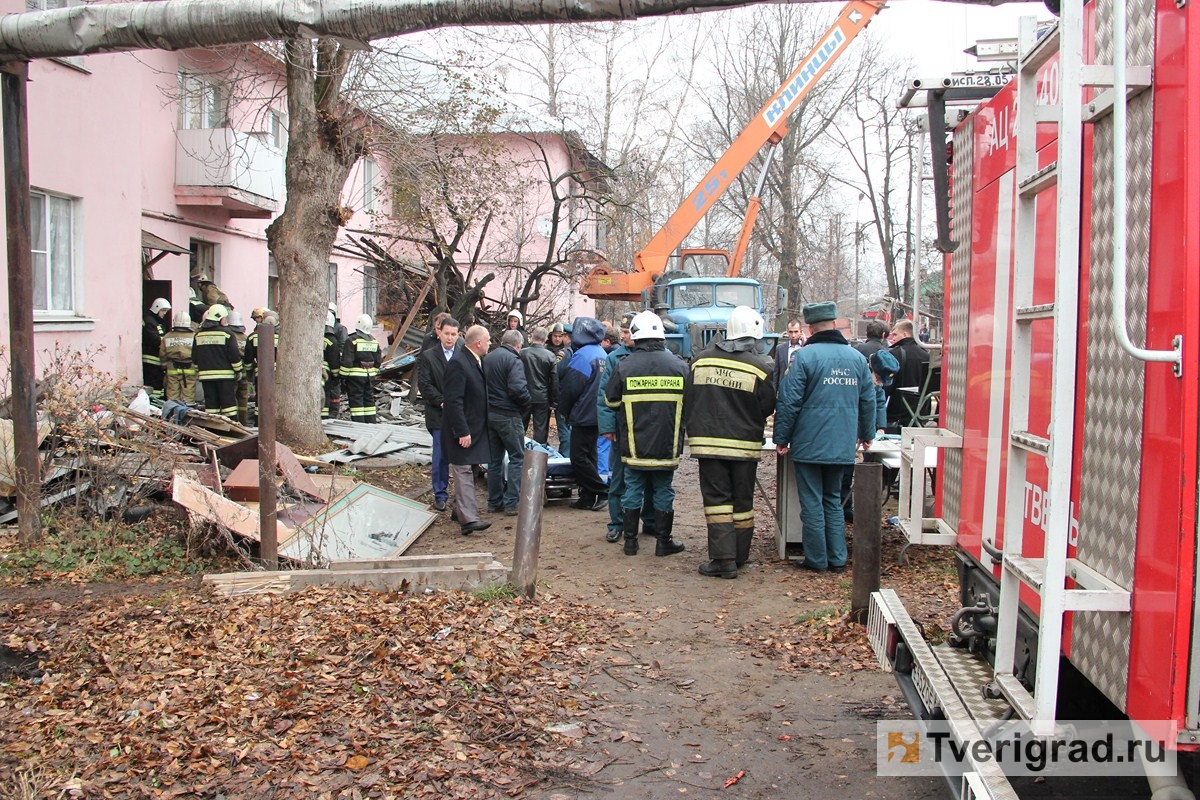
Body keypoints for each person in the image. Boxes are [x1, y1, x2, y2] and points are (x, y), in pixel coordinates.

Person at [773, 301, 875, 573]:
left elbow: (789, 401)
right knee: (833, 500)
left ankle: (817, 559)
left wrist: (781, 437)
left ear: (809, 327)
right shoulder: (856, 358)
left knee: (812, 502)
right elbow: (868, 399)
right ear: (834, 323)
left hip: (809, 443)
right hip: (842, 443)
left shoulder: (804, 358)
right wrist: (867, 433)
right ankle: (838, 559)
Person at [684, 306, 777, 578]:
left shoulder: (700, 361)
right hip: (744, 445)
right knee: (742, 500)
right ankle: (739, 555)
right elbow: (767, 406)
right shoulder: (760, 367)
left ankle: (723, 560)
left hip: (708, 444)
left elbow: (689, 398)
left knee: (717, 501)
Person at [604, 311, 688, 557]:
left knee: (632, 490)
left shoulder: (624, 365)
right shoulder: (680, 367)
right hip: (667, 445)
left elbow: (610, 400)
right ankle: (663, 543)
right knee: (664, 490)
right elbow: (691, 402)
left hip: (633, 445)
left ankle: (630, 543)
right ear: (662, 337)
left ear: (636, 337)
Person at [596, 312, 657, 545]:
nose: (623, 336)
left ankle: (650, 522)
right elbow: (604, 396)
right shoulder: (616, 358)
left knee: (652, 478)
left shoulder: (662, 356)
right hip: (623, 429)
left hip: (650, 429)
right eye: (622, 332)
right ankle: (617, 523)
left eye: (627, 332)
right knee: (619, 479)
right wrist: (608, 427)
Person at [443, 325, 493, 535]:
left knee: (470, 469)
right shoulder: (459, 363)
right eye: (488, 340)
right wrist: (462, 431)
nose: (490, 343)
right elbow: (453, 401)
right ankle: (469, 520)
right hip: (463, 430)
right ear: (478, 343)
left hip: (474, 428)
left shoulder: (473, 360)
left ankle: (459, 510)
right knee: (463, 470)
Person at [840, 349, 900, 523]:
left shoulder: (877, 385)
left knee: (850, 470)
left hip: (863, 433)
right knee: (844, 471)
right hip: (847, 430)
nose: (879, 383)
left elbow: (879, 403)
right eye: (879, 378)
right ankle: (843, 507)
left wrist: (880, 427)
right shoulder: (855, 376)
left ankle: (847, 507)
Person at [558, 316, 609, 511]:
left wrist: (563, 410)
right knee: (590, 455)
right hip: (598, 413)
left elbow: (571, 387)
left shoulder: (583, 355)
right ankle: (587, 497)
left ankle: (601, 490)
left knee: (578, 457)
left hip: (583, 414)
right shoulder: (602, 353)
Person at [483, 329, 531, 515]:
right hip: (508, 414)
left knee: (494, 460)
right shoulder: (514, 360)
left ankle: (494, 502)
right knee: (517, 457)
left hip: (490, 413)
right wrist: (527, 402)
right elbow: (518, 389)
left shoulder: (488, 358)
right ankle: (512, 502)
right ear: (518, 345)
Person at [418, 316, 460, 512]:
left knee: (462, 456)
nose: (450, 338)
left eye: (453, 334)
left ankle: (461, 496)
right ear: (439, 333)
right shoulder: (429, 356)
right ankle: (440, 494)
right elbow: (424, 385)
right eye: (446, 334)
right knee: (441, 456)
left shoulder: (463, 353)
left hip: (461, 414)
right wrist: (442, 401)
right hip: (439, 414)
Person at [192, 303, 243, 420]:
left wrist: (198, 371)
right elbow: (234, 356)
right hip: (225, 377)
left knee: (211, 405)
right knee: (228, 405)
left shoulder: (198, 335)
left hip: (206, 377)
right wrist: (238, 370)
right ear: (220, 318)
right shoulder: (227, 334)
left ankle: (213, 428)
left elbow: (194, 357)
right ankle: (232, 428)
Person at [885, 319, 931, 432]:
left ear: (905, 334)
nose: (893, 338)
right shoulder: (927, 356)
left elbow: (886, 388)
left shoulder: (894, 354)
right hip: (921, 415)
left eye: (895, 334)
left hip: (897, 415)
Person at [520, 326, 558, 445]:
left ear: (532, 337)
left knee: (520, 426)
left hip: (523, 394)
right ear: (546, 339)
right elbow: (554, 381)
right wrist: (554, 401)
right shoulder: (550, 356)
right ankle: (538, 456)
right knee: (540, 429)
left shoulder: (522, 353)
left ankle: (518, 453)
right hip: (542, 396)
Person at [342, 314, 382, 423]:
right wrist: (373, 373)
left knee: (356, 401)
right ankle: (371, 423)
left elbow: (347, 361)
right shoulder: (374, 341)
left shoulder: (352, 341)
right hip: (369, 377)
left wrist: (341, 377)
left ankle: (359, 424)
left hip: (355, 377)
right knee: (369, 399)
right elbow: (378, 361)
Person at [160, 311, 197, 404]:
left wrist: (164, 368)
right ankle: (187, 415)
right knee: (188, 396)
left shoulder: (167, 337)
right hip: (190, 369)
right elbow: (199, 354)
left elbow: (162, 354)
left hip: (172, 369)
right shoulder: (194, 337)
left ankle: (172, 415)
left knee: (172, 395)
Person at [552, 322, 574, 456]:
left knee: (564, 428)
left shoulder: (564, 353)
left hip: (563, 395)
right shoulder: (578, 351)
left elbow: (556, 372)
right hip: (574, 395)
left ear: (566, 336)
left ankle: (565, 456)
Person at [142, 297, 171, 398]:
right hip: (151, 360)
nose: (164, 314)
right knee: (154, 383)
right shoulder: (149, 321)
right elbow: (154, 339)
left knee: (159, 383)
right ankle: (154, 403)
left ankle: (158, 403)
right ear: (156, 308)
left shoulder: (157, 322)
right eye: (163, 311)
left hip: (157, 360)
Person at [227, 310, 251, 424]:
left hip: (232, 371)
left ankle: (234, 421)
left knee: (232, 396)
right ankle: (243, 420)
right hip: (245, 371)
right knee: (243, 397)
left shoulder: (229, 337)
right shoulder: (246, 338)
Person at [773, 317, 804, 391]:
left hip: (800, 389)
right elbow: (776, 373)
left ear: (801, 332)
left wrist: (805, 343)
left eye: (796, 332)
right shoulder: (780, 349)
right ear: (787, 332)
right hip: (784, 390)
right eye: (791, 332)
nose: (793, 335)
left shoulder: (806, 348)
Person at [322, 311, 342, 420]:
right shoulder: (332, 341)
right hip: (326, 375)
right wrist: (336, 376)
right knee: (325, 395)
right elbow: (334, 362)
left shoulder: (314, 338)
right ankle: (324, 418)